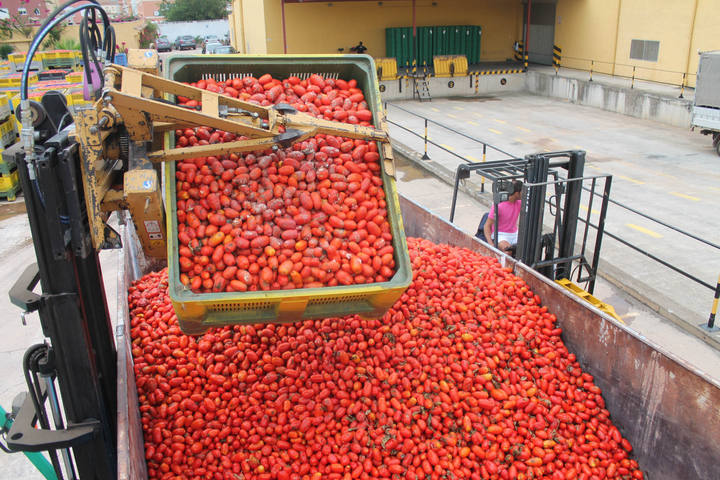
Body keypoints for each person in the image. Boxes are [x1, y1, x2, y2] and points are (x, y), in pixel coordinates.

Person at [483, 180, 523, 254]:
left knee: (525, 248)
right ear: (517, 193)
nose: (524, 194)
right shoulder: (499, 206)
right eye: (522, 192)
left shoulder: (519, 203)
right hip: (501, 234)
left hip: (514, 233)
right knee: (508, 251)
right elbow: (487, 226)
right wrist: (491, 244)